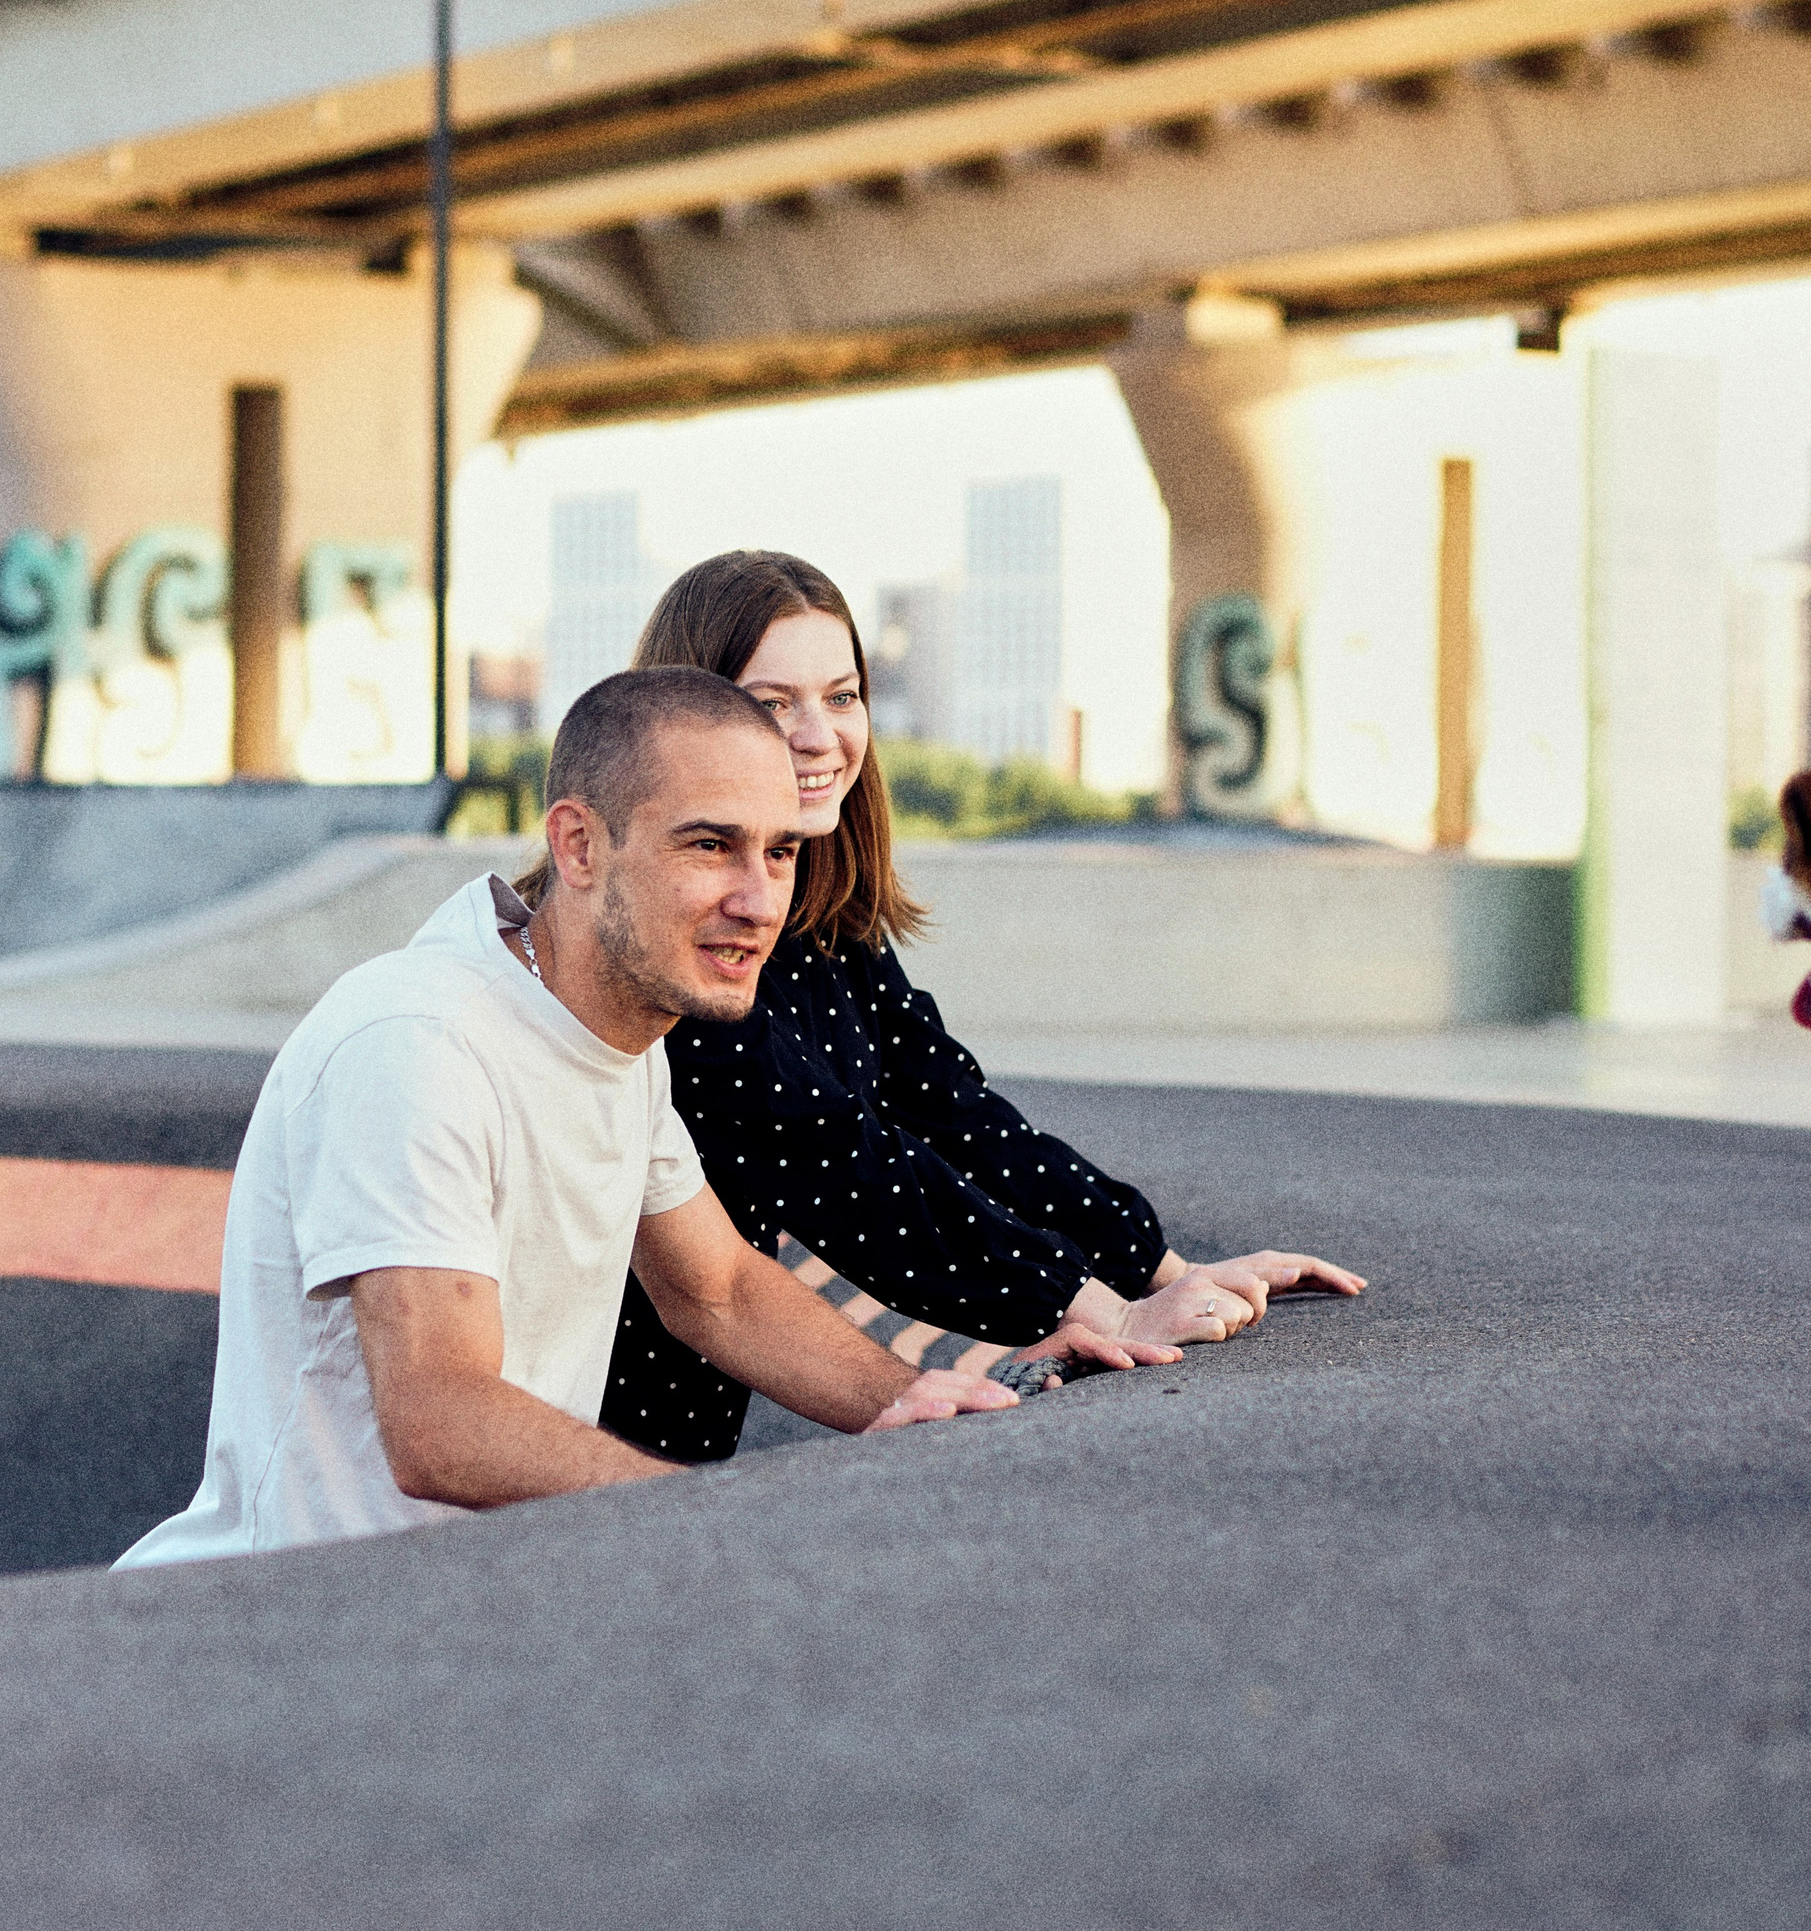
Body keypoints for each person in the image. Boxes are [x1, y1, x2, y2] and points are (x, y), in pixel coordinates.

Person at [117, 667, 1016, 1567]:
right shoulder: (419, 1043)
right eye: (709, 847)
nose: (759, 900)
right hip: (275, 1627)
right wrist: (711, 1518)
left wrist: (905, 1400)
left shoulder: (617, 1033)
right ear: (579, 846)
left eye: (779, 852)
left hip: (473, 1611)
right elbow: (439, 1418)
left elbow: (717, 1290)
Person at [551, 549, 1365, 1466]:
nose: (819, 735)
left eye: (843, 695)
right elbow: (843, 1167)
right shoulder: (676, 948)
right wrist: (1099, 1307)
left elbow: (953, 1113)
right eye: (773, 704)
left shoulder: (819, 920)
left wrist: (1158, 1268)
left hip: (669, 1448)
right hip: (563, 1445)